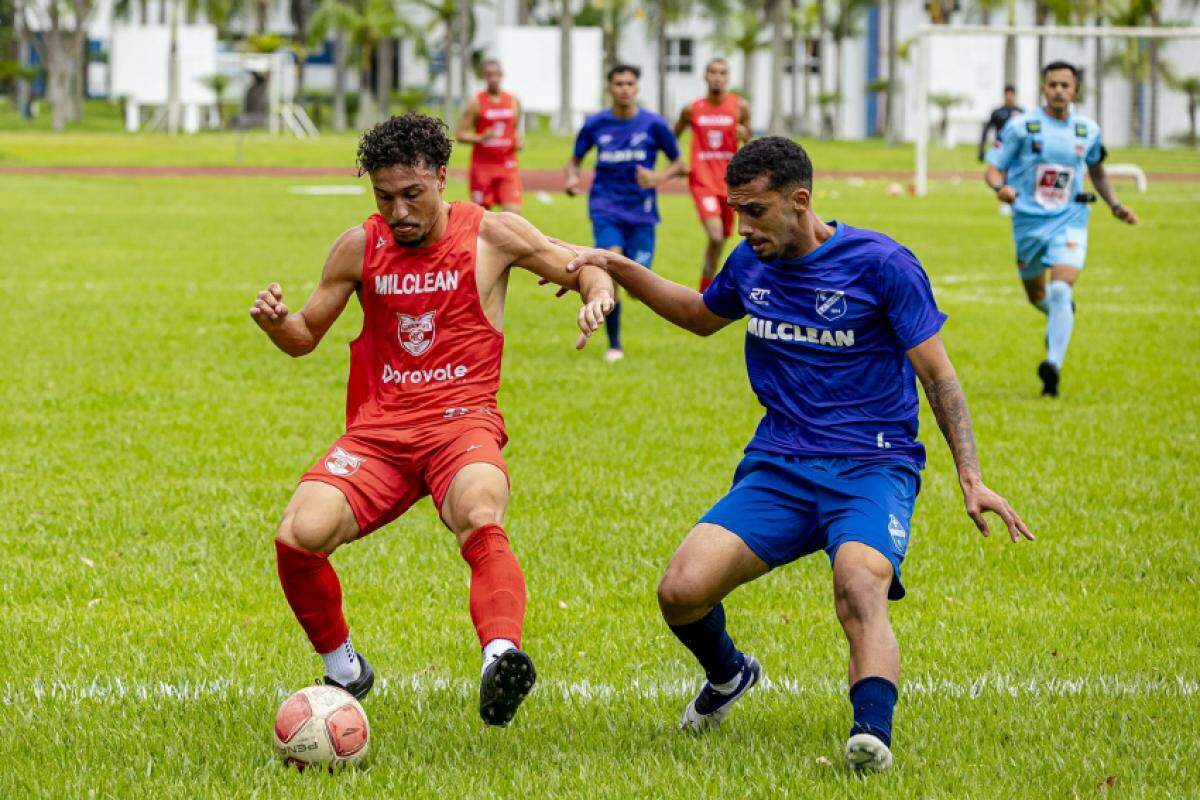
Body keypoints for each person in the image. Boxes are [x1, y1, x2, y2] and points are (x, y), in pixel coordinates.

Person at [567, 136, 1032, 771]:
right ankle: (730, 675)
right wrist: (620, 267)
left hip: (872, 465)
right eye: (737, 210)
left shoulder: (883, 264)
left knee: (858, 586)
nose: (744, 226)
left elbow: (939, 376)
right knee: (680, 591)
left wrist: (970, 477)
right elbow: (703, 316)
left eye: (755, 210)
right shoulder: (750, 261)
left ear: (801, 200)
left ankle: (871, 739)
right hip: (782, 465)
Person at [250, 114, 614, 726]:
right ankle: (344, 668)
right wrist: (276, 323)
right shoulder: (359, 246)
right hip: (380, 433)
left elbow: (582, 262)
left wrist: (597, 293)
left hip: (461, 423)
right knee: (298, 535)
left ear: (442, 177)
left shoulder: (493, 234)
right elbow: (305, 335)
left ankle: (500, 657)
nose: (398, 212)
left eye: (412, 194)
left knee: (479, 510)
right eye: (384, 197)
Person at [984, 61, 1138, 397]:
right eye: (1052, 84)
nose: (1059, 91)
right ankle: (1060, 318)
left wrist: (1114, 205)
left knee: (1060, 289)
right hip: (1027, 223)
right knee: (1037, 296)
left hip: (1071, 220)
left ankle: (1052, 364)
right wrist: (1001, 189)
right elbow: (993, 169)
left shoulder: (1087, 130)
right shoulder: (1021, 127)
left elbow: (1097, 170)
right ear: (1043, 87)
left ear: (1075, 90)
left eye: (1065, 86)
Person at [565, 64, 685, 363]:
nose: (625, 89)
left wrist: (658, 178)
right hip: (605, 207)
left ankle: (616, 330)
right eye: (619, 83)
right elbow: (575, 160)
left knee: (636, 285)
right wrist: (571, 178)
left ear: (637, 87)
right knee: (612, 268)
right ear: (610, 87)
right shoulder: (595, 124)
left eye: (630, 83)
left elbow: (678, 162)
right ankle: (614, 344)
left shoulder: (653, 124)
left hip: (642, 213)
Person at [673, 58, 752, 292]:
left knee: (724, 238)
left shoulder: (740, 107)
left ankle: (710, 285)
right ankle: (704, 293)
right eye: (712, 72)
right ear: (705, 76)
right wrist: (678, 163)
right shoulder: (692, 109)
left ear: (727, 78)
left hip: (731, 183)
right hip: (702, 181)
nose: (717, 76)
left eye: (722, 72)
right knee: (716, 237)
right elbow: (670, 138)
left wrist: (746, 136)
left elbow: (749, 141)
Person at [456, 59, 524, 212]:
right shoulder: (476, 102)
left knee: (514, 216)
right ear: (483, 77)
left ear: (502, 75)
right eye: (489, 75)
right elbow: (460, 134)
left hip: (507, 165)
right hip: (482, 167)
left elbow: (515, 128)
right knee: (483, 218)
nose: (493, 78)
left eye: (497, 74)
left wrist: (518, 140)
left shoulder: (513, 101)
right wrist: (481, 138)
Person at [978, 84, 1022, 162]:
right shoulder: (997, 112)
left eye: (1011, 94)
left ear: (1014, 95)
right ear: (1004, 95)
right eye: (1007, 94)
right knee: (996, 168)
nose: (1009, 97)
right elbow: (986, 130)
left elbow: (1030, 133)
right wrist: (981, 148)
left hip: (1016, 146)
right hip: (1000, 145)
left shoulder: (1021, 112)